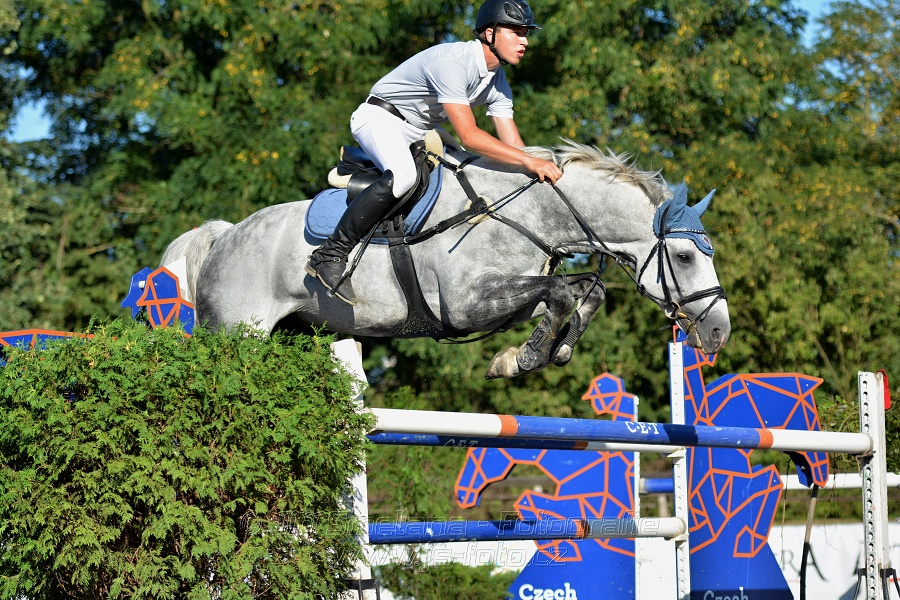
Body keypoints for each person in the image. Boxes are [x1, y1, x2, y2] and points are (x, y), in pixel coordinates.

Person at [306, 0, 563, 305]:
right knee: (404, 177)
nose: (525, 41)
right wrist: (529, 161)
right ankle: (330, 254)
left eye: (527, 33)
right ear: (490, 33)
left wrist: (538, 174)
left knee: (472, 170)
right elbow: (469, 135)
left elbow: (515, 149)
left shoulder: (498, 81)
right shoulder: (454, 62)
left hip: (418, 130)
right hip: (379, 118)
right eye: (517, 32)